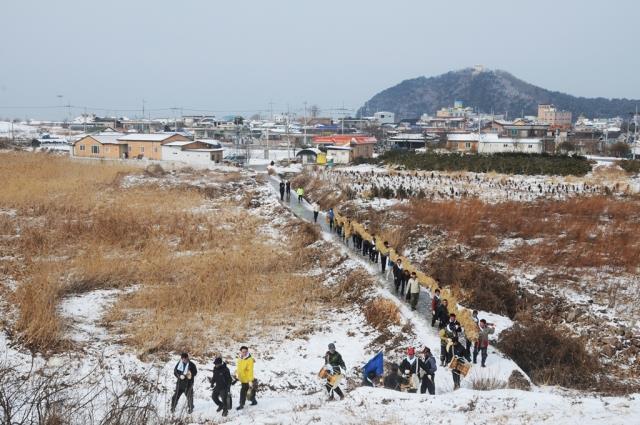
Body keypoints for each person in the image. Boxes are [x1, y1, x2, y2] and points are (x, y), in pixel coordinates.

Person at [235, 346, 257, 410]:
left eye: (245, 352)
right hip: (242, 379)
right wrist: (236, 374)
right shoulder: (240, 358)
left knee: (243, 392)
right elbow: (239, 368)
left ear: (247, 352)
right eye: (243, 352)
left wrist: (250, 381)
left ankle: (241, 405)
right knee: (248, 392)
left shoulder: (249, 360)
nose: (244, 353)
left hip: (247, 379)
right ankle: (254, 401)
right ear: (241, 352)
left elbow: (250, 371)